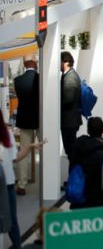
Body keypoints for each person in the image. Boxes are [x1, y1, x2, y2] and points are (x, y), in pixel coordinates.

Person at [0, 109, 45, 247]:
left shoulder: (7, 135)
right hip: (4, 184)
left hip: (7, 184)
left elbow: (15, 158)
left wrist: (31, 146)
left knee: (12, 219)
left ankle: (17, 246)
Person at [13, 58, 39, 196]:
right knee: (45, 149)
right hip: (41, 119)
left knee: (24, 152)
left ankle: (22, 184)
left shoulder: (18, 81)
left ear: (24, 65)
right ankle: (47, 182)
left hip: (24, 120)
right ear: (35, 64)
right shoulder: (41, 79)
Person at [60, 51, 82, 160]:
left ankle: (73, 175)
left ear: (65, 62)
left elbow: (69, 99)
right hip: (70, 120)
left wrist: (55, 104)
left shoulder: (70, 77)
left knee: (71, 150)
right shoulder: (69, 75)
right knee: (70, 149)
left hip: (69, 120)